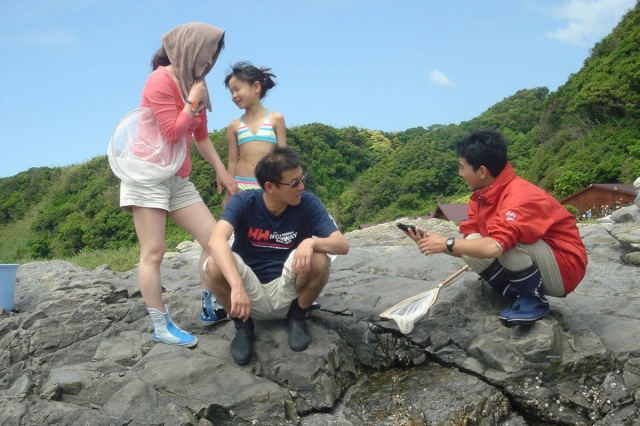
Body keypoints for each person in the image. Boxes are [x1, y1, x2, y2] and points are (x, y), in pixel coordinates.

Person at [120, 23, 239, 348]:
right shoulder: (160, 80)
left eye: (214, 57)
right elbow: (174, 131)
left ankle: (208, 303)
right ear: (191, 49)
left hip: (176, 177)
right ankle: (161, 324)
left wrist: (221, 171)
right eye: (208, 55)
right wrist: (191, 102)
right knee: (154, 252)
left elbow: (199, 136)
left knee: (214, 237)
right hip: (146, 175)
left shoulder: (195, 86)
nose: (209, 64)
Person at [402, 129, 588, 326]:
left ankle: (534, 301)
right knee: (472, 242)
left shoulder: (520, 195)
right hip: (536, 262)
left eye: (463, 167)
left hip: (564, 268)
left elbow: (495, 247)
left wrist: (447, 243)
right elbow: (470, 249)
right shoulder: (481, 196)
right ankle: (517, 295)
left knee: (504, 243)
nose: (460, 173)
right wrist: (434, 243)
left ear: (482, 171)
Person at [204, 146, 349, 364]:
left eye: (302, 179)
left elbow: (341, 245)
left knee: (319, 257)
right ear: (269, 187)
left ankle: (298, 316)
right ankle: (243, 326)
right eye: (294, 183)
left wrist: (310, 241)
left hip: (288, 289)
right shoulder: (243, 202)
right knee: (214, 264)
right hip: (249, 293)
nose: (301, 186)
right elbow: (215, 241)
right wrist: (236, 286)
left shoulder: (308, 203)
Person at [222, 62, 286, 204]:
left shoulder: (275, 118)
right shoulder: (234, 126)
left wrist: (284, 188)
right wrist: (229, 193)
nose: (234, 95)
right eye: (231, 92)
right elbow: (232, 161)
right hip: (241, 186)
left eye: (237, 89)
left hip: (268, 185)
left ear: (256, 87)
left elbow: (284, 158)